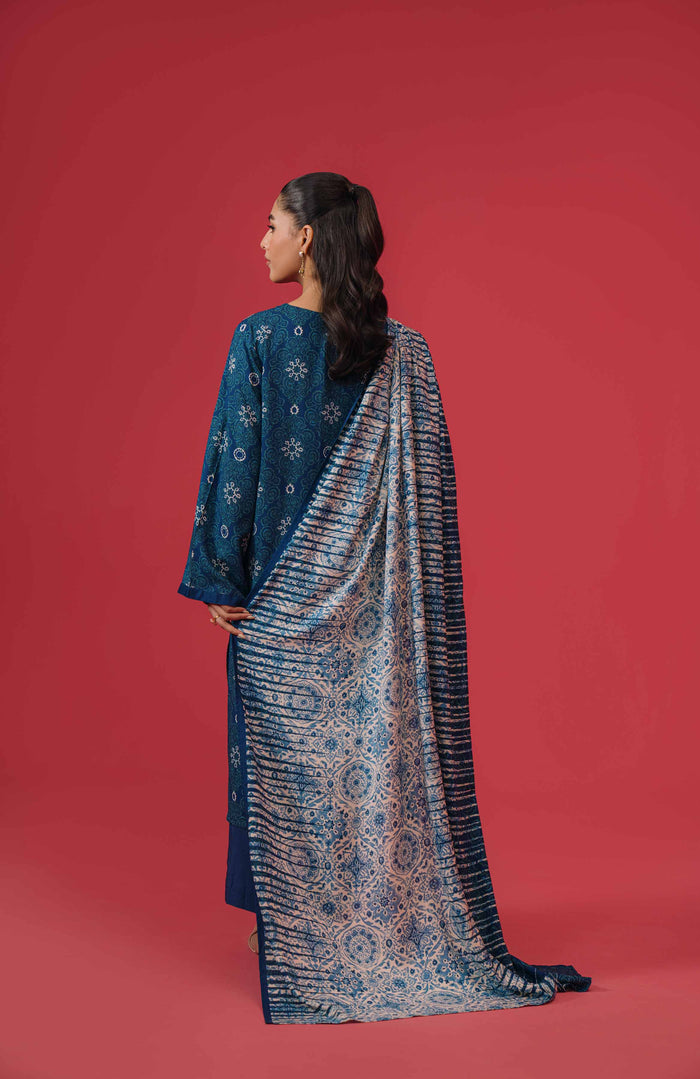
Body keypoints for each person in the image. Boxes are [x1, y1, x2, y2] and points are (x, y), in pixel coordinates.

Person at [178, 171, 592, 1025]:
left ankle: (291, 930)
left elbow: (235, 464)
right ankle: (374, 924)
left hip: (280, 601)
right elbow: (429, 500)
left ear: (307, 239)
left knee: (281, 764)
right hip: (378, 611)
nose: (261, 240)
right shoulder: (407, 353)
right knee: (370, 762)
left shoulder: (260, 339)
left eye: (271, 224)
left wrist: (221, 577)